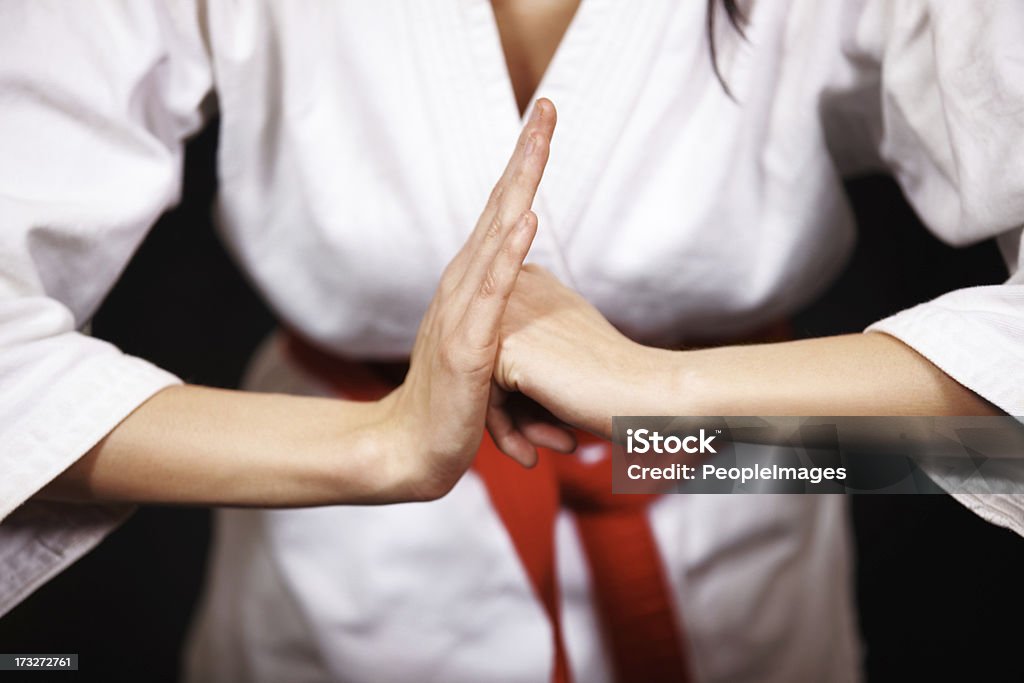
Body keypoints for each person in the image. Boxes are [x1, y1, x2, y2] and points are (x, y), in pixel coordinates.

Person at [1, 0, 1021, 681]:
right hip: (334, 589)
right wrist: (384, 446)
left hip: (748, 553)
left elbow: (986, 445)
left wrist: (667, 402)